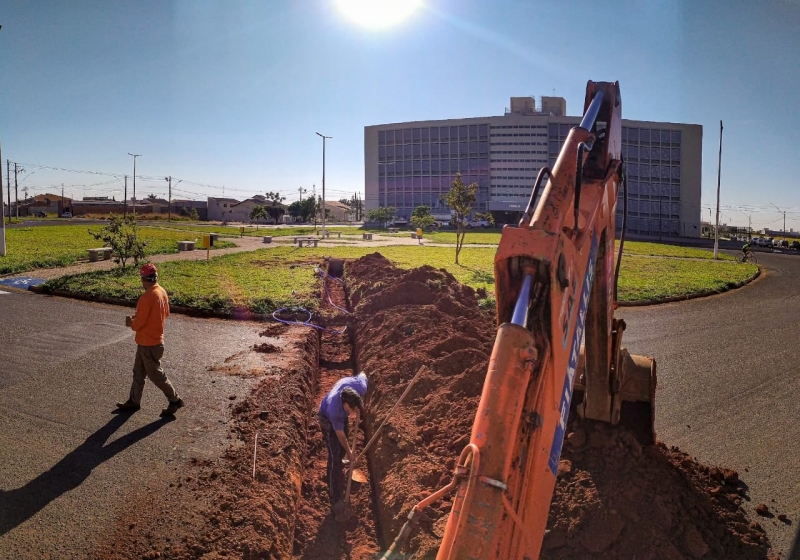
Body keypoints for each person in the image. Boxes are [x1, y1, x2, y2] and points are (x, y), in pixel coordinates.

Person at [116, 263, 185, 417]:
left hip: (148, 344)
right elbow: (164, 314)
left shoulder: (146, 297)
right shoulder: (162, 292)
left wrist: (131, 322)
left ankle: (175, 400)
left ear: (144, 279)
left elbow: (137, 324)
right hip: (152, 341)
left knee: (156, 375)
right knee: (138, 372)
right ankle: (134, 401)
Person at [318, 371, 368, 513]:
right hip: (326, 419)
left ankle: (341, 460)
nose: (353, 412)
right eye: (351, 409)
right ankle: (335, 497)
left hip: (341, 414)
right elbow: (339, 434)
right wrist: (350, 452)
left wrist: (358, 407)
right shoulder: (335, 410)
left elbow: (363, 374)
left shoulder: (360, 387)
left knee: (343, 442)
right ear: (345, 404)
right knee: (334, 456)